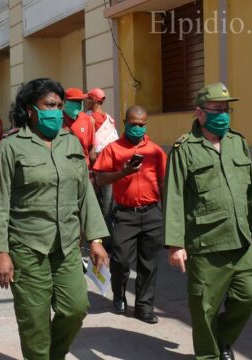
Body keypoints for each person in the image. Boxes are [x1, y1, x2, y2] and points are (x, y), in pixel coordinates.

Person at [0, 78, 109, 360]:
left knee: (75, 308)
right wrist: (1, 253)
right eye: (49, 105)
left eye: (59, 106)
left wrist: (97, 239)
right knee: (34, 322)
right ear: (30, 110)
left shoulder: (70, 142)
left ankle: (54, 355)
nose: (56, 111)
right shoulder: (11, 147)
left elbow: (85, 192)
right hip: (28, 248)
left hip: (67, 247)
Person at [164, 82, 252, 360]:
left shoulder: (237, 142)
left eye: (227, 109)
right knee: (204, 308)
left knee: (250, 295)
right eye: (217, 110)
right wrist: (175, 245)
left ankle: (222, 338)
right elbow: (174, 196)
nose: (224, 114)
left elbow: (251, 186)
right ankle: (209, 355)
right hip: (206, 242)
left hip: (241, 238)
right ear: (200, 113)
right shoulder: (184, 148)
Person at [94, 105, 166, 324]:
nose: (138, 128)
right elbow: (100, 179)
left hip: (152, 213)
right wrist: (124, 172)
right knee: (121, 259)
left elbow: (162, 182)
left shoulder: (155, 151)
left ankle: (144, 308)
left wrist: (166, 213)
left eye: (142, 125)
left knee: (149, 263)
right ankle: (119, 293)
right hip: (125, 214)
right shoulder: (112, 150)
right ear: (125, 123)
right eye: (133, 124)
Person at [85, 87, 119, 251]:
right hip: (111, 167)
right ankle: (106, 238)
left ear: (93, 100)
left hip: (94, 168)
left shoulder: (86, 119)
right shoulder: (110, 119)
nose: (85, 102)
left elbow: (89, 148)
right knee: (108, 205)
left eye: (87, 99)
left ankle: (106, 240)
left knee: (98, 206)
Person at [62, 88, 96, 168]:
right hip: (63, 169)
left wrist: (94, 171)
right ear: (65, 101)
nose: (78, 104)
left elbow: (91, 147)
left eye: (80, 101)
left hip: (83, 168)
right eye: (74, 101)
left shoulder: (87, 120)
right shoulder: (57, 119)